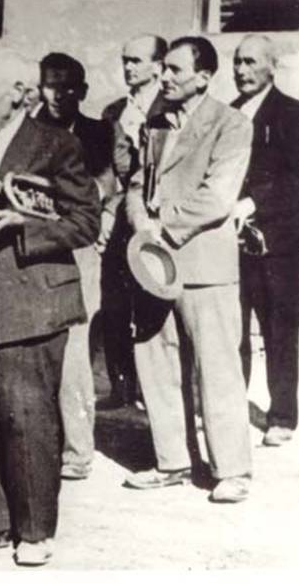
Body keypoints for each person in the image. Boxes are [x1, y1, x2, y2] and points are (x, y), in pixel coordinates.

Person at [0, 49, 99, 565]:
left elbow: (86, 222)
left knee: (27, 418)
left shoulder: (57, 143)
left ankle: (34, 532)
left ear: (19, 93)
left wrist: (25, 227)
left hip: (34, 297)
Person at [123, 37, 253, 503]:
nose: (165, 76)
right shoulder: (156, 122)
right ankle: (172, 461)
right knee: (156, 363)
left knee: (216, 369)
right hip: (153, 263)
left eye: (176, 69)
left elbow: (218, 196)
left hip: (204, 266)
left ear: (204, 76)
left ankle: (232, 470)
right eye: (164, 68)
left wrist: (163, 228)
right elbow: (136, 183)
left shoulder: (231, 123)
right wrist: (140, 223)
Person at [32, 52, 113, 481]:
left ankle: (77, 450)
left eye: (67, 87)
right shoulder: (27, 131)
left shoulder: (98, 132)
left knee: (75, 347)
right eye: (50, 85)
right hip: (35, 246)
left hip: (79, 248)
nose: (58, 94)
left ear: (81, 91)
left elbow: (106, 185)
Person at [230, 34, 299, 447]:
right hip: (232, 243)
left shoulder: (294, 114)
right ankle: (231, 408)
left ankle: (282, 417)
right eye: (238, 61)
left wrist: (254, 201)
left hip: (277, 245)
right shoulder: (228, 113)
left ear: (272, 67)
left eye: (252, 62)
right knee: (233, 330)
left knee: (279, 331)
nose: (242, 70)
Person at [99, 34, 171, 409]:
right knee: (114, 301)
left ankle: (150, 388)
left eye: (136, 60)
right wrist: (107, 209)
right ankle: (121, 385)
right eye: (125, 60)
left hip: (153, 219)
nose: (128, 67)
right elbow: (106, 169)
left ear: (158, 66)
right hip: (117, 218)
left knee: (151, 300)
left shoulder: (170, 108)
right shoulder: (113, 112)